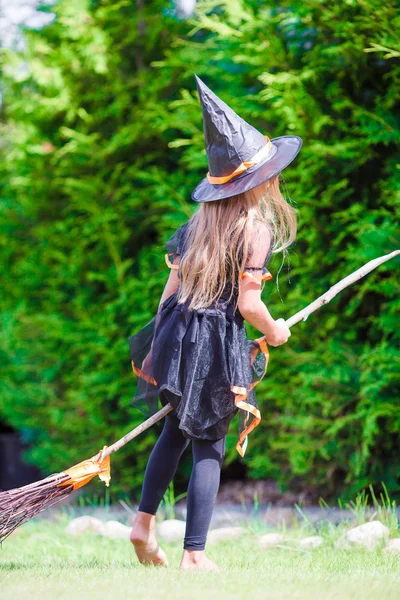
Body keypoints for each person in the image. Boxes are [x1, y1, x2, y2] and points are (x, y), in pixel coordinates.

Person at [128, 75, 302, 571]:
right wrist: (274, 331)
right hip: (214, 338)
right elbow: (249, 304)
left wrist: (163, 340)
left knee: (174, 434)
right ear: (260, 180)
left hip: (178, 332)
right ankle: (195, 554)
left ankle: (142, 524)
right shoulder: (256, 229)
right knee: (210, 441)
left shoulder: (197, 224)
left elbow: (170, 293)